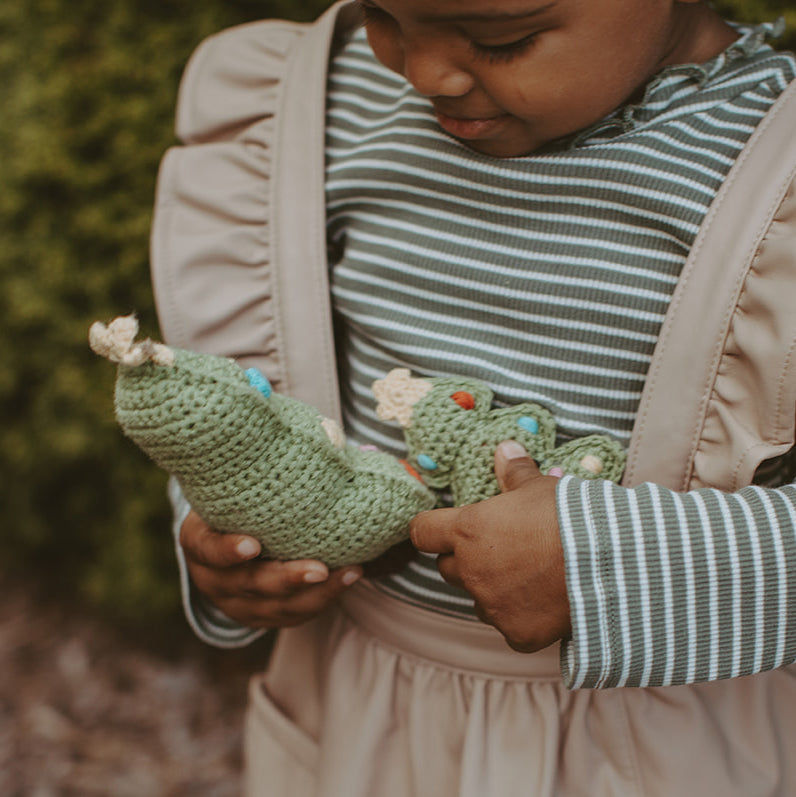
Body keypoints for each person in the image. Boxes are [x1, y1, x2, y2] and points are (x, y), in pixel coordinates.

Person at [151, 0, 796, 794]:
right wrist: (229, 540)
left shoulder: (776, 165)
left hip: (670, 749)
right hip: (357, 718)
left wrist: (628, 568)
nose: (424, 72)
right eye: (384, 14)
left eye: (504, 38)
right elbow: (253, 395)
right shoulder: (324, 107)